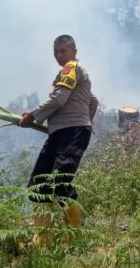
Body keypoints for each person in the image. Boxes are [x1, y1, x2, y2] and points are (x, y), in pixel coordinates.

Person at [19, 34, 99, 246]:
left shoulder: (71, 68)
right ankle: (42, 241)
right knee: (38, 185)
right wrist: (85, 122)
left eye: (63, 50)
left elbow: (59, 99)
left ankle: (74, 240)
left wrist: (32, 116)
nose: (59, 55)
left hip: (71, 132)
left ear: (74, 50)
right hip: (63, 133)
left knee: (60, 183)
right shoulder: (74, 73)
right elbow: (93, 100)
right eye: (55, 51)